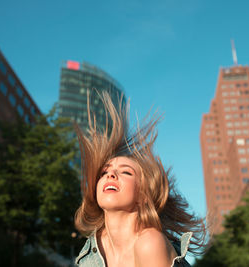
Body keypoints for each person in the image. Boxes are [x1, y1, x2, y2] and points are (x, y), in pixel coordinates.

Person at [74, 92, 206, 267]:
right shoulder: (88, 254)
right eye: (104, 173)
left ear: (144, 194)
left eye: (126, 172)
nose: (110, 175)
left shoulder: (149, 242)